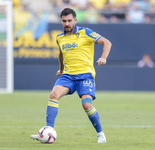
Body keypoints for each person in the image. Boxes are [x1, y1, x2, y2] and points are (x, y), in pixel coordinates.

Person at [30, 8, 112, 143]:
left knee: (86, 105)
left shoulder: (86, 32)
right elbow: (61, 54)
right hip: (68, 75)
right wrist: (61, 69)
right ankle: (48, 131)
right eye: (64, 21)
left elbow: (107, 42)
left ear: (75, 20)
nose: (67, 23)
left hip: (85, 76)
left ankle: (100, 134)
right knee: (54, 95)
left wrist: (103, 57)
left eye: (69, 21)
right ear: (61, 21)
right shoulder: (60, 38)